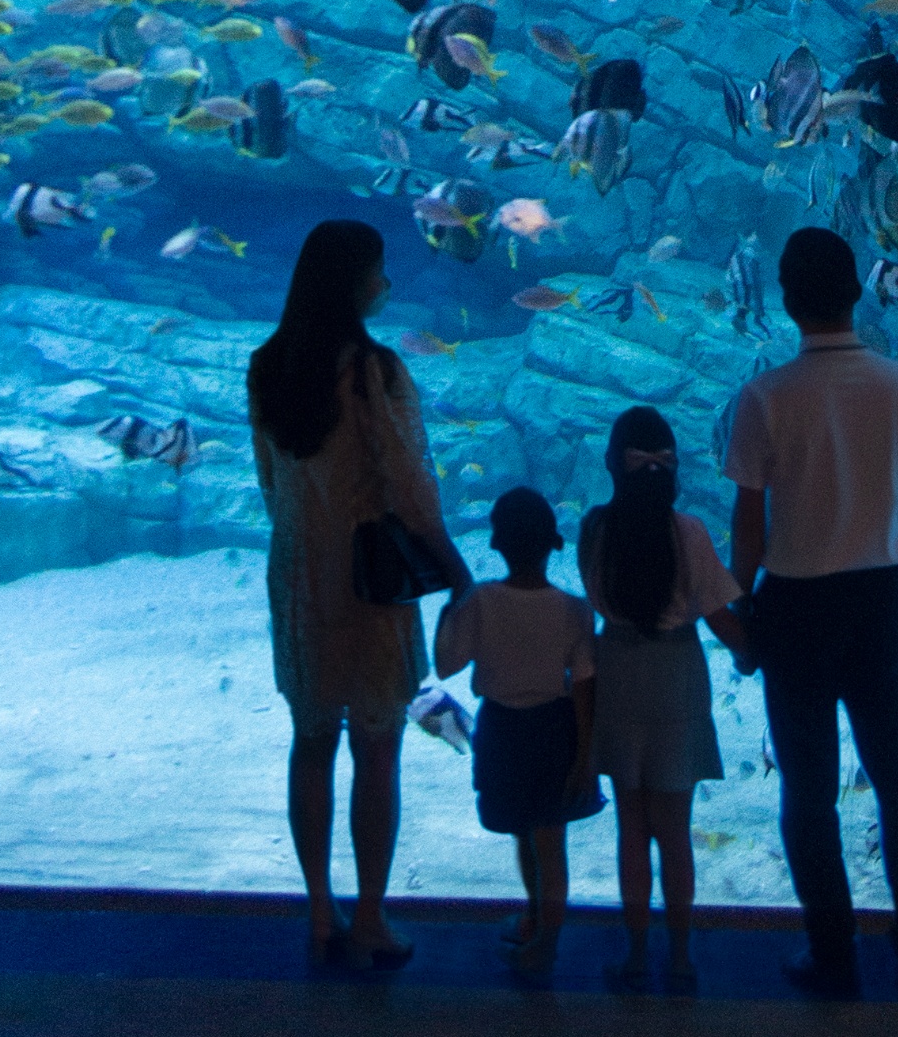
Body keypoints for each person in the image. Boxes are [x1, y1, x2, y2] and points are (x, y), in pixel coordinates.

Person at [721, 226, 898, 997]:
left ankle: (833, 949)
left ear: (786, 300)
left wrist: (738, 607)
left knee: (807, 789)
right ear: (857, 293)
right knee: (896, 778)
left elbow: (749, 523)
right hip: (884, 594)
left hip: (797, 605)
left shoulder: (764, 399)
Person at [249, 219, 471, 974]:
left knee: (311, 740)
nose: (386, 282)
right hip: (371, 579)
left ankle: (319, 907)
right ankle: (371, 912)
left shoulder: (266, 366)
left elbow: (270, 484)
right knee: (378, 747)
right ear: (351, 281)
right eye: (378, 269)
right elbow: (410, 486)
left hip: (299, 573)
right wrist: (457, 571)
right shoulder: (375, 371)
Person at [576, 405, 752, 994]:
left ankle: (634, 953)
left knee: (631, 825)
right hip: (677, 674)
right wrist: (755, 653)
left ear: (613, 466)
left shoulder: (596, 529)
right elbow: (720, 617)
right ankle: (679, 955)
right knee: (675, 830)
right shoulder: (691, 532)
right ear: (671, 468)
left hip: (620, 670)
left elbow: (597, 600)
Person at [436, 486, 603, 981]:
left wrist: (453, 602)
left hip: (502, 732)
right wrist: (586, 755)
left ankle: (540, 931)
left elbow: (445, 665)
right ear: (553, 542)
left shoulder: (481, 601)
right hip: (557, 731)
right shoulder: (576, 610)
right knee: (550, 841)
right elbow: (586, 687)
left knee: (524, 834)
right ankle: (543, 931)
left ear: (496, 543)